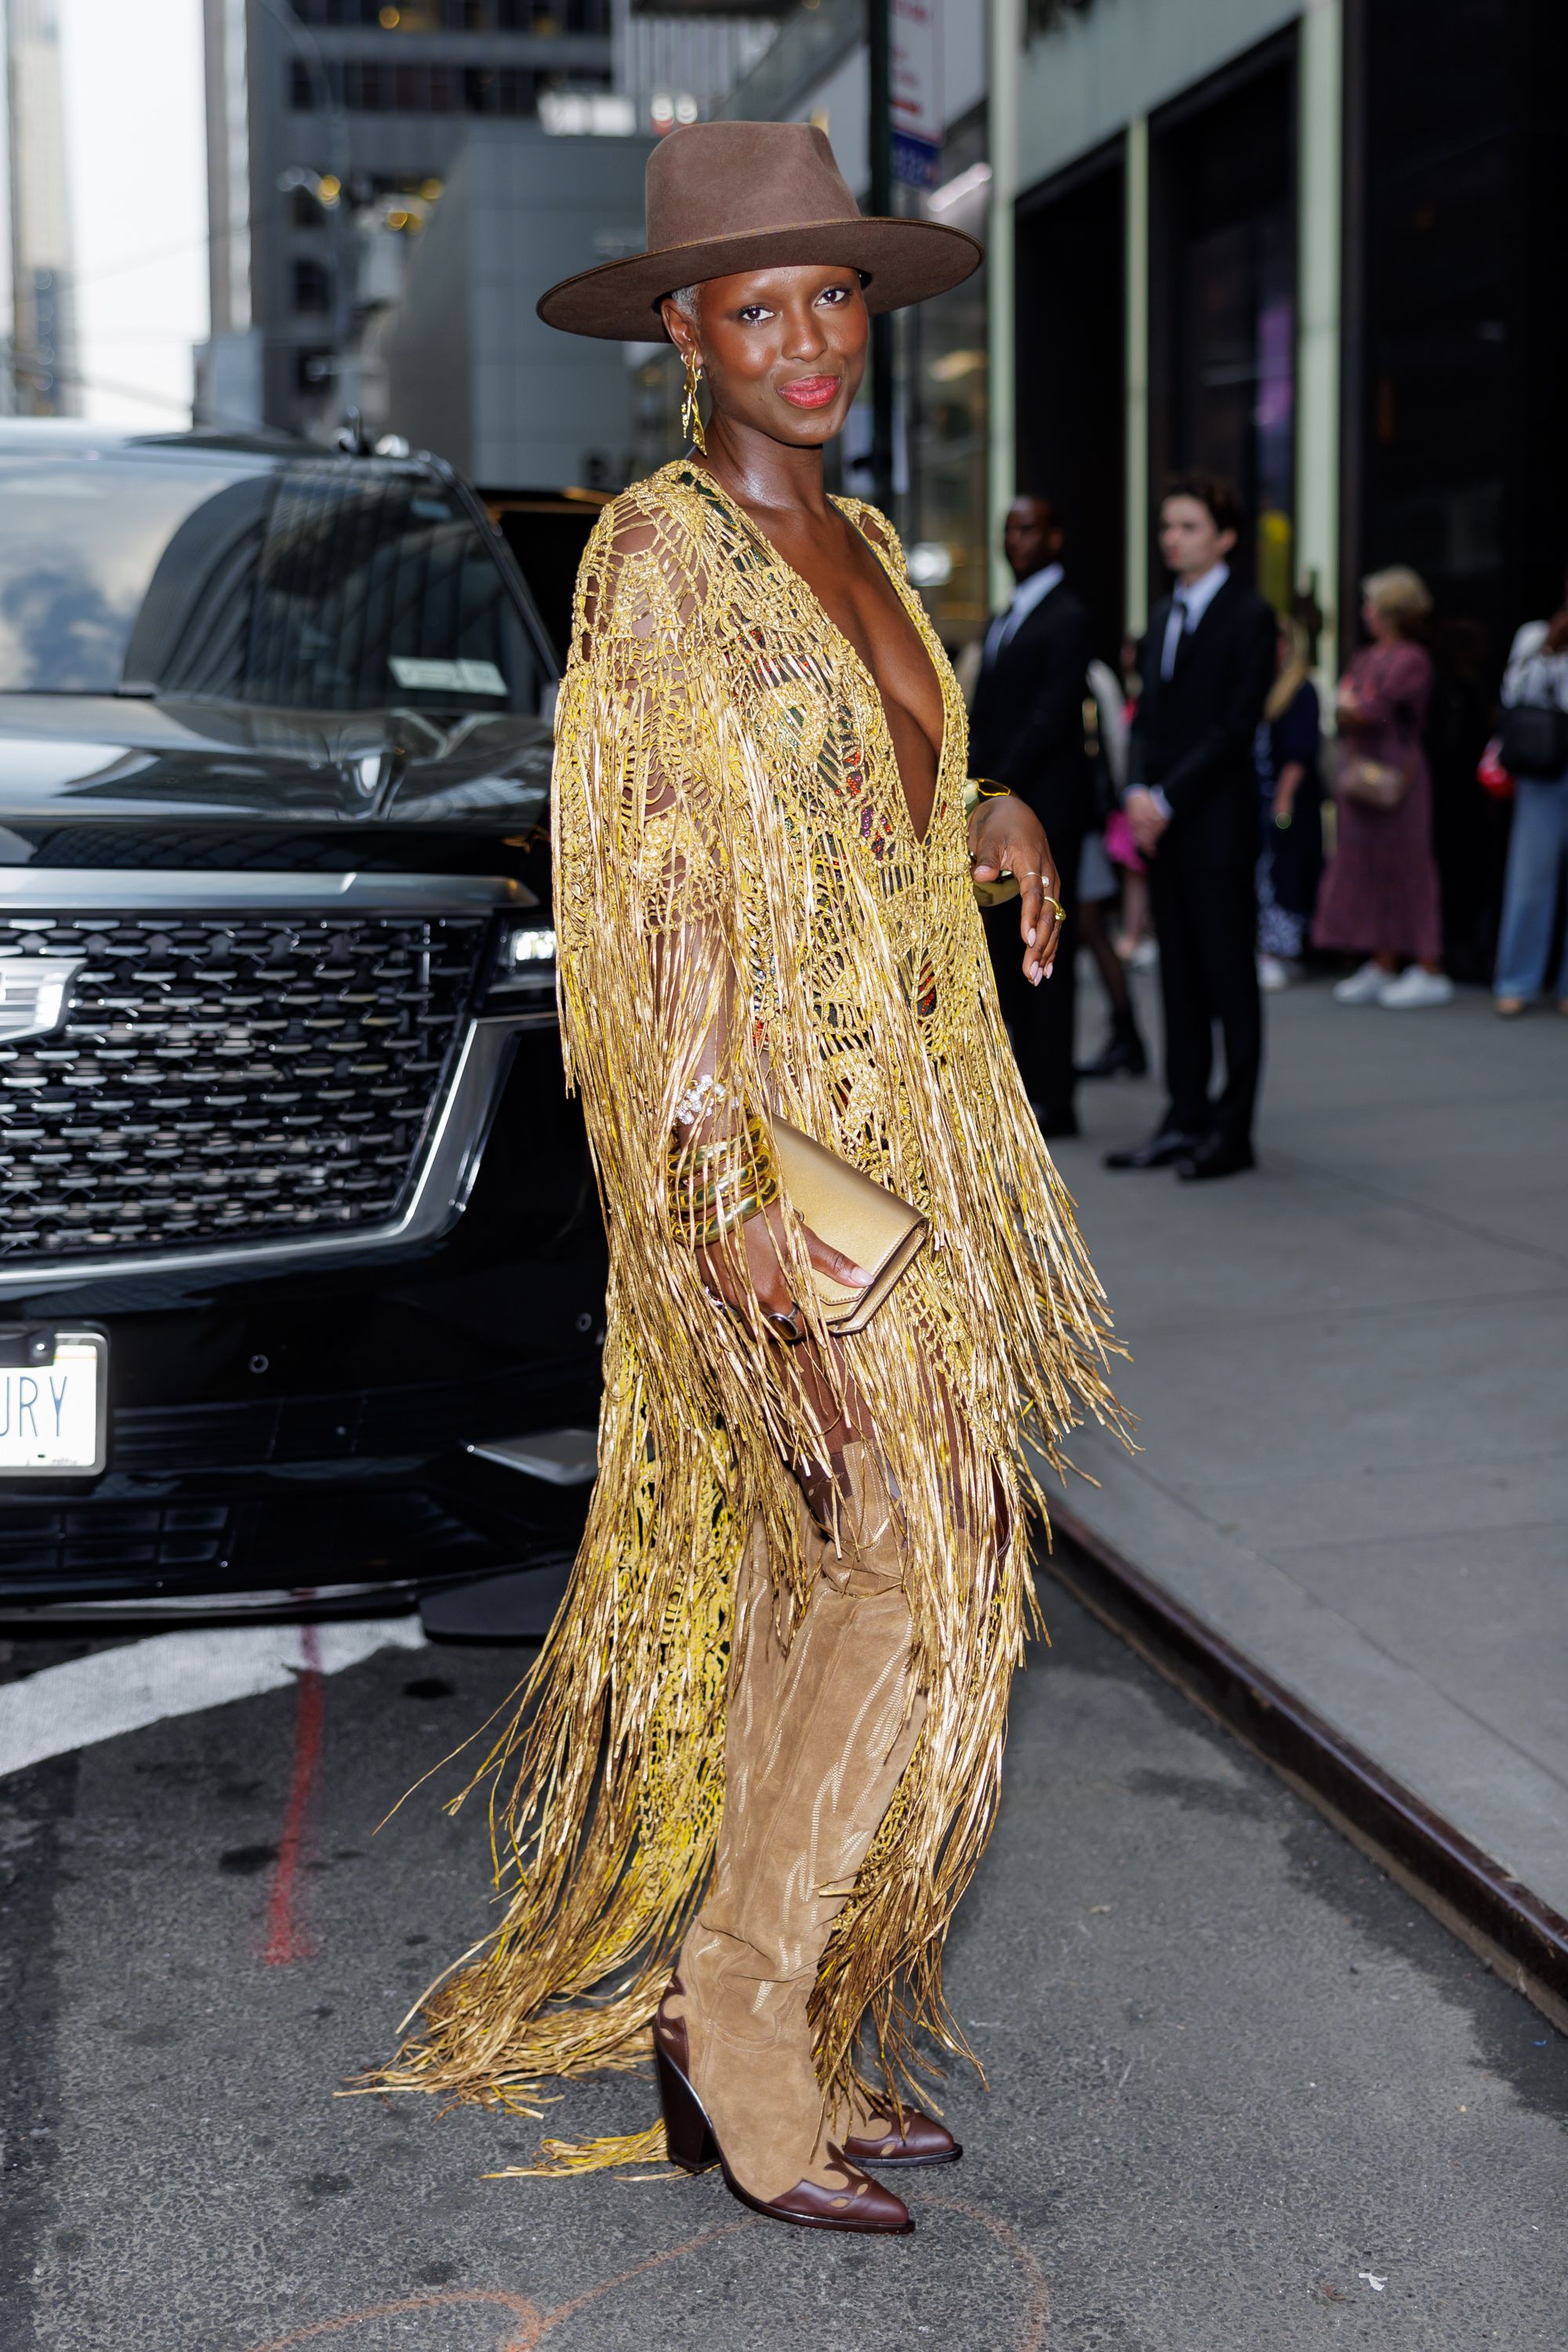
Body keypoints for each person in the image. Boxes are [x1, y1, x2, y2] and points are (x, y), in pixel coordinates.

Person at [380, 123, 1123, 2238]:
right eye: (758, 306)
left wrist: (975, 812)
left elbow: (860, 780)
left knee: (860, 1563)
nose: (805, 342)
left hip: (923, 1132)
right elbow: (651, 897)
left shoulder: (871, 547)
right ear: (685, 334)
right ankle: (739, 2013)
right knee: (918, 1540)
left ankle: (791, 2003)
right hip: (782, 1142)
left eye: (835, 302)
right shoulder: (660, 557)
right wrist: (722, 1194)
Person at [1105, 474, 1277, 1181]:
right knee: (1177, 981)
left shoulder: (1249, 616)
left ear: (1225, 537)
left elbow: (1235, 728)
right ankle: (1183, 1119)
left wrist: (1165, 798)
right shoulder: (1164, 612)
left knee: (1229, 982)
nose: (1172, 538)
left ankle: (1232, 1134)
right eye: (1168, 527)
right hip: (1165, 827)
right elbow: (1148, 717)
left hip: (1216, 827)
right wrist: (1139, 791)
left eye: (1188, 527)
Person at [967, 495, 1095, 1137]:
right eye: (1007, 529)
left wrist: (998, 792)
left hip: (1044, 811)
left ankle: (1055, 1096)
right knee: (1002, 953)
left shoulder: (1068, 615)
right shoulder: (1003, 616)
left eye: (1028, 529)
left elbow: (1050, 717)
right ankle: (1024, 1085)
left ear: (1055, 536)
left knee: (1044, 947)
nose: (1015, 541)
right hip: (996, 809)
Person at [1316, 568, 1450, 1007]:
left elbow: (1368, 708)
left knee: (1407, 867)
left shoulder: (1412, 658)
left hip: (1398, 778)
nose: (1365, 612)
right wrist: (1351, 706)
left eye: (1372, 604)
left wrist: (1352, 706)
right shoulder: (1365, 657)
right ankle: (1381, 959)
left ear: (1391, 611)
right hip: (1360, 773)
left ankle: (1427, 966)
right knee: (1364, 866)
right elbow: (1347, 707)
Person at [1493, 580, 1568, 1015]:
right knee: (1530, 876)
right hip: (1542, 765)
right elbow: (1514, 695)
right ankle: (1517, 981)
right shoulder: (1535, 634)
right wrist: (1550, 651)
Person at [1076, 654, 1149, 1078]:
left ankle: (1127, 1034)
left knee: (1090, 924)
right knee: (1090, 926)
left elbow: (1115, 746)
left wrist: (1116, 808)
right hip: (1089, 815)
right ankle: (1126, 1033)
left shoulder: (1093, 676)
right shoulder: (1097, 675)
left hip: (1086, 818)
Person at [1254, 618, 1323, 989]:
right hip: (1260, 800)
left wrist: (1282, 801)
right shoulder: (1265, 686)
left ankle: (1281, 951)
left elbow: (1299, 755)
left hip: (1285, 805)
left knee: (1283, 875)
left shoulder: (1300, 690)